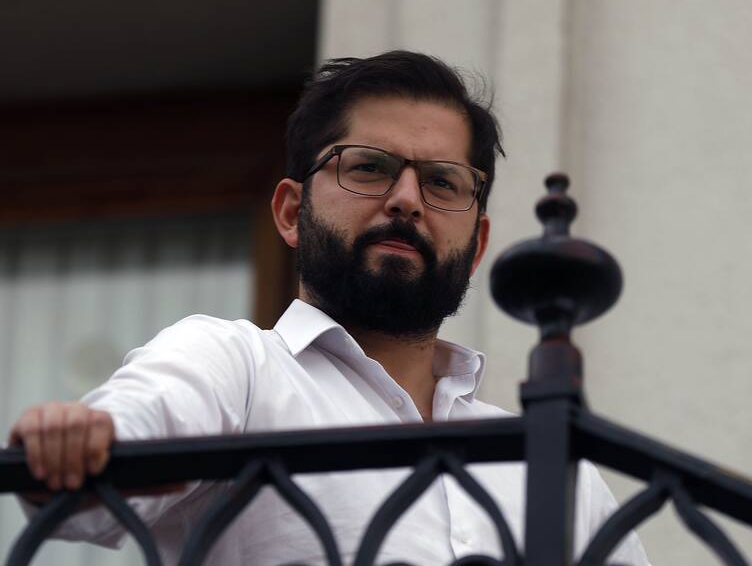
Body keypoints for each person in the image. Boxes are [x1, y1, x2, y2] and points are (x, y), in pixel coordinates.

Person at [9, 51, 649, 564]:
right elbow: (97, 486)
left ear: (477, 242)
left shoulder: (553, 468)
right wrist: (78, 444)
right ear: (292, 212)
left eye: (442, 182)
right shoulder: (236, 365)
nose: (406, 199)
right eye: (368, 168)